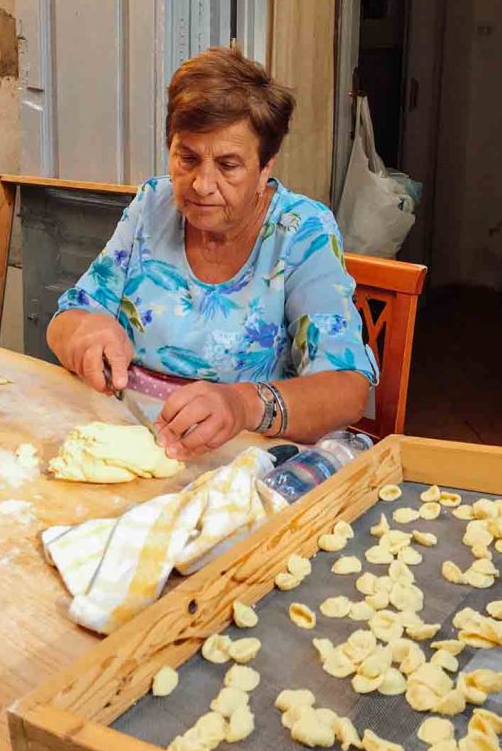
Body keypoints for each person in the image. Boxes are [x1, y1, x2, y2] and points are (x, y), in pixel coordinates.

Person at [47, 46, 378, 461]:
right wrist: (87, 331)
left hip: (241, 457)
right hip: (130, 436)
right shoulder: (154, 204)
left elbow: (346, 388)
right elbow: (66, 319)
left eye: (228, 165)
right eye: (187, 157)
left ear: (266, 166)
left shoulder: (300, 231)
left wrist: (242, 404)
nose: (202, 184)